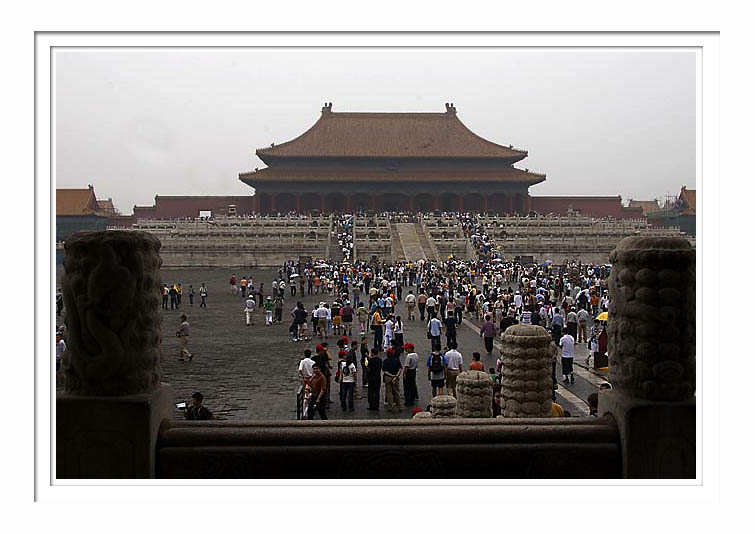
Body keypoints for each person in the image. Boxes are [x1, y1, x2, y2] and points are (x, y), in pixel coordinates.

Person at [382, 347, 402, 412]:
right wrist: (396, 376)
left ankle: (391, 406)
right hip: (395, 378)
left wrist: (391, 375)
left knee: (389, 392)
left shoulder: (385, 361)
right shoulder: (396, 360)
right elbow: (400, 369)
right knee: (397, 392)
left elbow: (384, 371)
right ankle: (399, 406)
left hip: (388, 377)